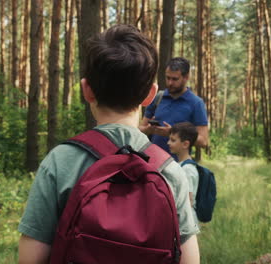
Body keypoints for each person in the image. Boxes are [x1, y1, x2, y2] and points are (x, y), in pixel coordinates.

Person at [18, 25, 200, 264]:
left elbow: (30, 259)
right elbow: (189, 260)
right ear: (150, 94)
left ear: (87, 90)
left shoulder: (60, 161)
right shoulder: (169, 170)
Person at [139, 57, 209, 156]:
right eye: (168, 78)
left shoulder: (196, 103)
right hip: (152, 162)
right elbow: (140, 129)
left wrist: (172, 133)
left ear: (186, 77)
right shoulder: (158, 98)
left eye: (175, 79)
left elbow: (203, 141)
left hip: (178, 166)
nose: (170, 83)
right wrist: (149, 130)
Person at [167, 122, 200, 223]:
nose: (168, 143)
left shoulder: (187, 169)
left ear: (185, 144)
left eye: (173, 140)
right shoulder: (180, 165)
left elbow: (188, 200)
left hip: (186, 222)